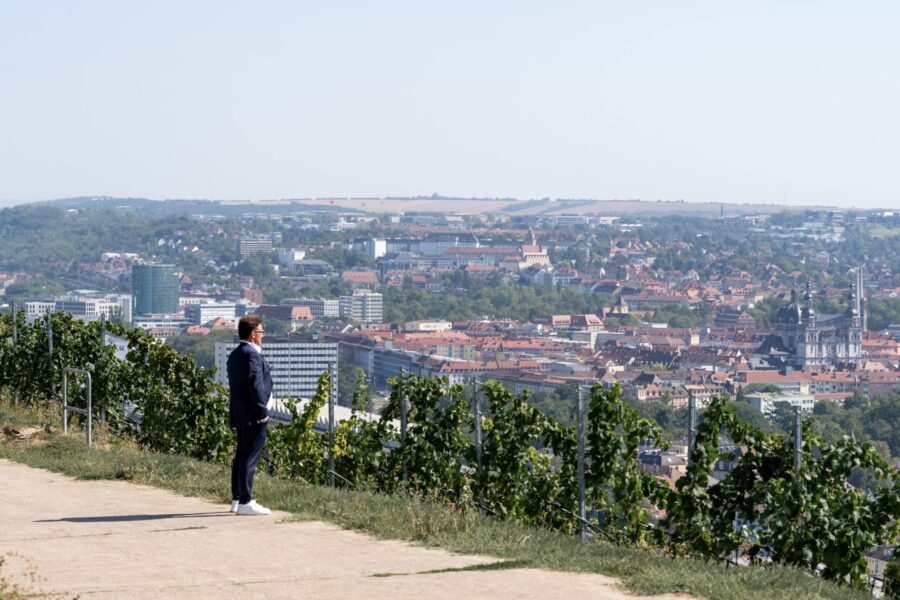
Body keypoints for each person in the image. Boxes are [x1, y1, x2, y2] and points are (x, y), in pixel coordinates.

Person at [227, 314, 273, 516]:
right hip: (254, 415)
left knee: (241, 456)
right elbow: (256, 386)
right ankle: (246, 500)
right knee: (250, 458)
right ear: (254, 334)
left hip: (241, 413)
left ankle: (237, 499)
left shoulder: (236, 354)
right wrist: (262, 412)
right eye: (261, 331)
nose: (263, 335)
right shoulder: (252, 355)